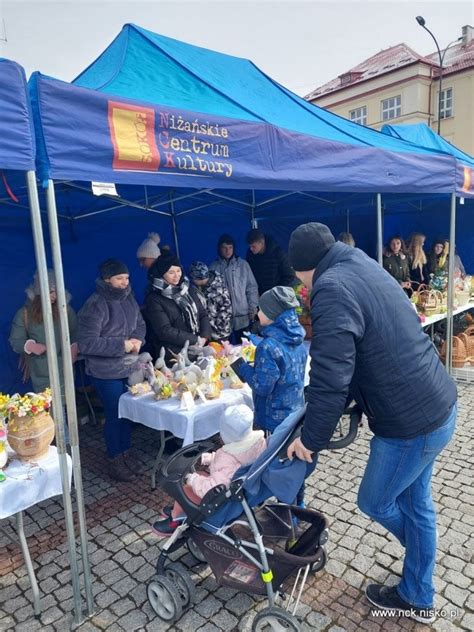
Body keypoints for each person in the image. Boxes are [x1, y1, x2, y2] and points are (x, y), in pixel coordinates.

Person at [286, 223, 457, 624]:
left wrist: (310, 439)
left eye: (298, 276)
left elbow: (331, 375)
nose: (301, 284)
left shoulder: (330, 288)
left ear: (304, 268)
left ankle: (419, 568)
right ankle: (417, 589)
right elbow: (362, 350)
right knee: (416, 503)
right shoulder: (359, 262)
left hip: (410, 422)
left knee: (375, 501)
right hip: (436, 404)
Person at [151, 404, 266, 536]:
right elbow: (234, 463)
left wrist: (193, 479)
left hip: (222, 502)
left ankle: (176, 519)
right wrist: (212, 458)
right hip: (241, 490)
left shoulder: (228, 457)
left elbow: (209, 488)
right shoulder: (257, 443)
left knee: (186, 489)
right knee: (201, 474)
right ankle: (180, 508)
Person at [78, 259, 146, 482]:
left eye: (126, 278)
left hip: (129, 368)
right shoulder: (95, 304)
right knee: (115, 415)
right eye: (119, 279)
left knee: (128, 413)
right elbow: (87, 343)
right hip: (105, 372)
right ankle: (115, 459)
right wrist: (121, 345)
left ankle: (126, 453)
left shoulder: (129, 298)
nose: (125, 283)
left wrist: (137, 339)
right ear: (107, 279)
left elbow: (140, 323)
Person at [231, 286, 307, 433]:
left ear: (273, 315)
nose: (258, 313)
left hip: (273, 418)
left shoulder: (267, 347)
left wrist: (243, 368)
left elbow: (262, 387)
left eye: (261, 310)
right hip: (295, 410)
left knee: (274, 452)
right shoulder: (298, 341)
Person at [9, 270, 78, 394]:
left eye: (56, 292)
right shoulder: (24, 314)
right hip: (40, 370)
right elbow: (16, 340)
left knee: (66, 403)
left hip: (65, 368)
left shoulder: (66, 311)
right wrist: (30, 346)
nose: (54, 296)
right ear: (39, 292)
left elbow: (76, 332)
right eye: (51, 292)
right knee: (46, 405)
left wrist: (74, 347)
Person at [144, 253, 211, 361]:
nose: (177, 275)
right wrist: (195, 340)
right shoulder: (154, 298)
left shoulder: (188, 289)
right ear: (162, 274)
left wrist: (204, 337)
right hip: (174, 355)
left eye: (178, 270)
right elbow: (164, 331)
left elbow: (203, 314)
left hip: (198, 349)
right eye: (171, 272)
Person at [210, 234, 259, 342]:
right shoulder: (213, 267)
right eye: (224, 248)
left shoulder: (243, 265)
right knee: (226, 352)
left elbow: (252, 288)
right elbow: (210, 295)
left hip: (243, 317)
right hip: (222, 319)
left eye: (230, 248)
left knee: (244, 349)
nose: (228, 251)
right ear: (219, 249)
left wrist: (253, 308)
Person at [188, 261, 232, 341]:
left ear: (198, 278)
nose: (192, 281)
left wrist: (218, 327)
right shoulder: (200, 288)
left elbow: (226, 309)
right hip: (207, 333)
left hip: (220, 335)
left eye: (193, 278)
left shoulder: (218, 289)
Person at [245, 228, 296, 295]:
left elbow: (290, 275)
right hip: (258, 296)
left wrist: (278, 291)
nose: (251, 249)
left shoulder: (278, 253)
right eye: (250, 246)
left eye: (253, 246)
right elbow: (248, 277)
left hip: (277, 296)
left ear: (262, 242)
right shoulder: (250, 256)